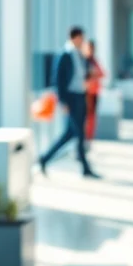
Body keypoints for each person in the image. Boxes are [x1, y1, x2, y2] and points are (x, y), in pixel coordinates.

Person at [38, 27, 99, 178]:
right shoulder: (64, 55)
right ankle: (85, 167)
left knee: (70, 134)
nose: (83, 41)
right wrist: (63, 102)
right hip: (71, 99)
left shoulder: (80, 55)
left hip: (81, 97)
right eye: (81, 38)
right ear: (74, 38)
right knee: (79, 133)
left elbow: (84, 73)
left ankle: (44, 158)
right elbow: (58, 80)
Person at [82, 39, 105, 141]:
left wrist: (94, 73)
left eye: (92, 48)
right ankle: (85, 138)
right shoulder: (83, 61)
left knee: (92, 117)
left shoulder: (93, 61)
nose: (90, 50)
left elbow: (102, 73)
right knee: (86, 117)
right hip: (87, 93)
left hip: (94, 92)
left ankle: (89, 138)